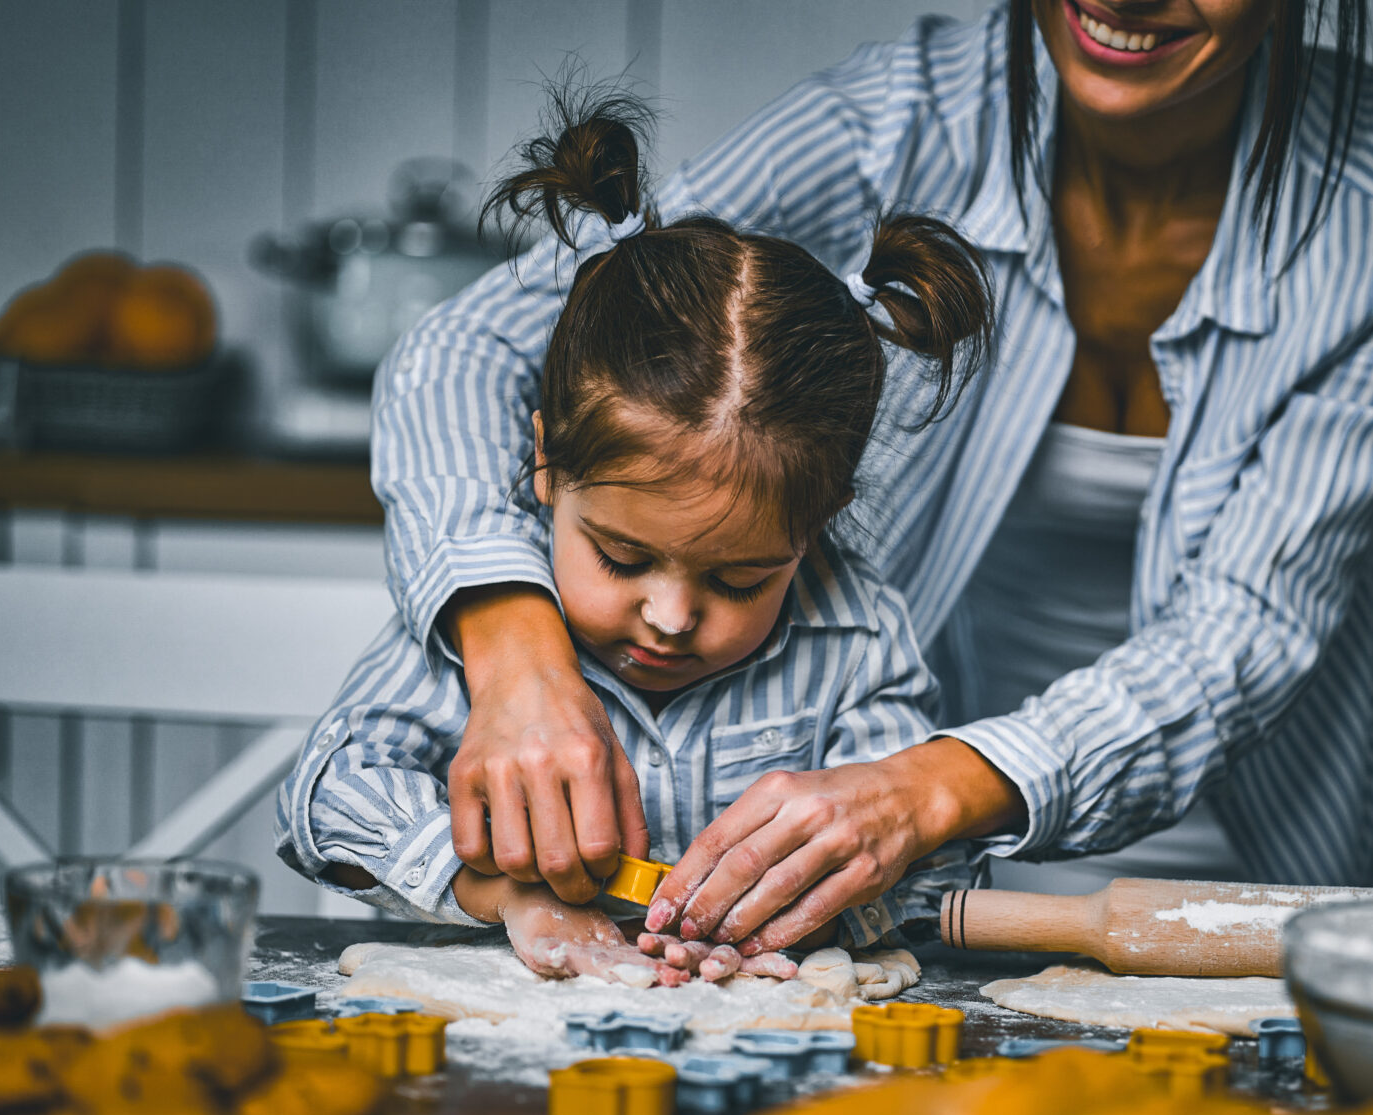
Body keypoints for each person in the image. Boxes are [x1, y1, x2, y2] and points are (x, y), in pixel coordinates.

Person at [372, 0, 1373, 966]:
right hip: (950, 839)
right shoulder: (891, 123)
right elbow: (468, 347)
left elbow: (1244, 631)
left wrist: (924, 787)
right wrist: (518, 655)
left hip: (1330, 801)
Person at [275, 91, 991, 983]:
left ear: (819, 521)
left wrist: (816, 908)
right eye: (621, 557)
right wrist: (504, 894)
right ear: (545, 466)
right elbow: (324, 798)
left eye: (738, 581)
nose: (672, 615)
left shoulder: (860, 641)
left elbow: (929, 866)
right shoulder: (481, 631)